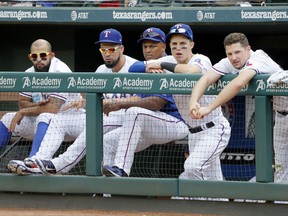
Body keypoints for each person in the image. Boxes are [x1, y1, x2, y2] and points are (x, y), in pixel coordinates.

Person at [8, 28, 138, 175]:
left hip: (128, 121)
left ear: (121, 48)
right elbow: (96, 102)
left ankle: (57, 166)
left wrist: (117, 104)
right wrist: (83, 102)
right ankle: (37, 162)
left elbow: (143, 100)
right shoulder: (101, 70)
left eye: (111, 49)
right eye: (103, 50)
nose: (107, 54)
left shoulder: (134, 67)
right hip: (104, 118)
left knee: (94, 126)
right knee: (57, 120)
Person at [118, 24, 231, 183]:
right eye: (174, 44)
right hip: (194, 132)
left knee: (192, 167)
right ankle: (221, 204)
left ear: (191, 45)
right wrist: (150, 67)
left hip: (213, 128)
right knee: (213, 179)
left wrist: (161, 65)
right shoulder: (169, 59)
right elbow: (133, 68)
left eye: (183, 45)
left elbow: (192, 71)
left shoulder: (200, 59)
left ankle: (209, 203)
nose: (178, 48)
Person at [100, 27, 189, 177]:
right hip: (152, 123)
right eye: (145, 46)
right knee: (108, 141)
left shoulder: (170, 64)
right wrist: (148, 66)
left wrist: (120, 103)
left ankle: (121, 168)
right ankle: (106, 192)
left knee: (134, 112)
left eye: (153, 46)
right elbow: (133, 68)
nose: (148, 50)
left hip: (176, 123)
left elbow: (156, 103)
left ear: (163, 46)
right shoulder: (149, 67)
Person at [4, 39, 83, 174]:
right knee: (7, 118)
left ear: (51, 55)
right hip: (42, 123)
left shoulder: (60, 71)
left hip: (70, 121)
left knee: (45, 115)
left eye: (43, 56)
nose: (38, 60)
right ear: (30, 57)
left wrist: (25, 111)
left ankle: (32, 163)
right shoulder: (29, 73)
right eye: (34, 56)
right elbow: (22, 102)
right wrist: (34, 105)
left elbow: (53, 108)